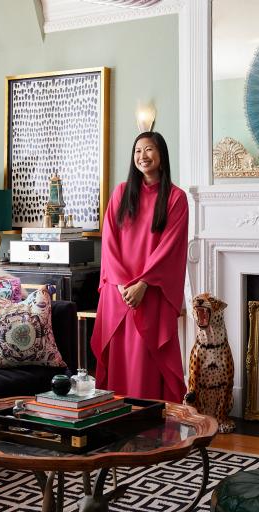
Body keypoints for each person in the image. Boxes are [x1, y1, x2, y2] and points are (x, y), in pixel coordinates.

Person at [90, 131, 188, 402]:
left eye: (149, 150)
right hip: (119, 294)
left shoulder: (176, 198)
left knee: (146, 365)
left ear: (162, 155)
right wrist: (124, 285)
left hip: (151, 293)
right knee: (119, 362)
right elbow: (109, 240)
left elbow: (170, 247)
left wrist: (143, 284)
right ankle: (115, 424)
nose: (143, 156)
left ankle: (152, 429)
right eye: (137, 151)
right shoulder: (121, 192)